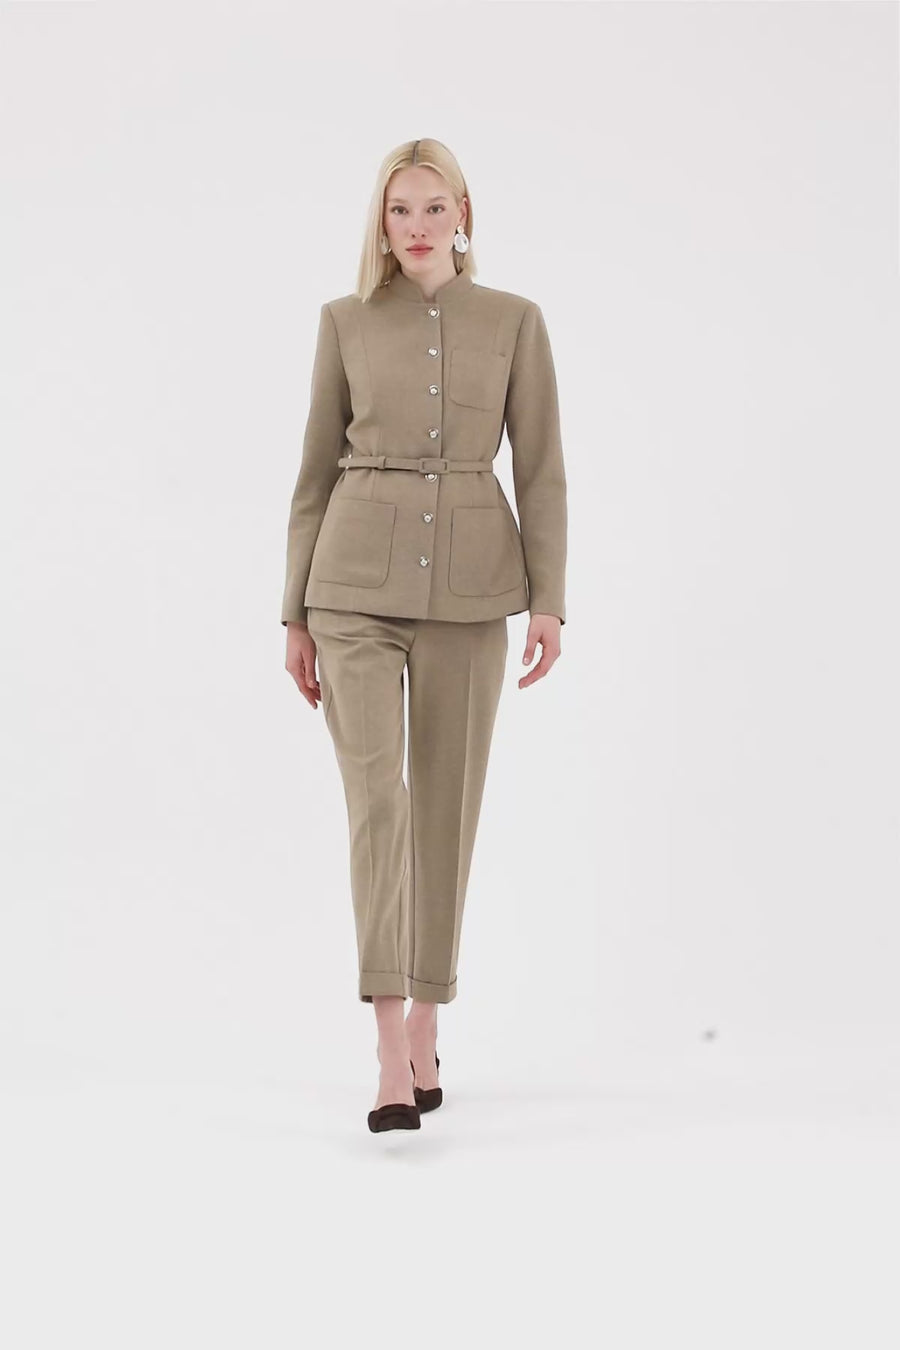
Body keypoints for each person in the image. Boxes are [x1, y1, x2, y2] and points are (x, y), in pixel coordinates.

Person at [281, 138, 567, 1132]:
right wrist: (294, 612)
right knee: (379, 803)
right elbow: (313, 470)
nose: (416, 227)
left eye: (433, 208)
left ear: (463, 215)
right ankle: (388, 1049)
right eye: (399, 209)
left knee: (446, 807)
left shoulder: (514, 322)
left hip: (474, 590)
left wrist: (549, 598)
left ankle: (429, 1021)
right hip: (350, 590)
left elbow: (542, 468)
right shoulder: (345, 321)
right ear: (381, 218)